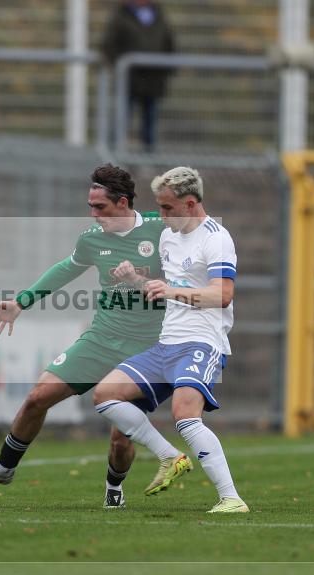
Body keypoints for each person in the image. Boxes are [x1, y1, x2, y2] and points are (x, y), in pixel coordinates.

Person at [0, 163, 192, 509]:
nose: (94, 215)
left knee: (120, 433)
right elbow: (65, 270)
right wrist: (21, 302)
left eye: (101, 208)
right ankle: (4, 468)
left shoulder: (162, 234)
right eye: (90, 207)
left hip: (147, 348)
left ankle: (114, 489)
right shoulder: (92, 240)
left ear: (123, 203)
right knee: (38, 396)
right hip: (101, 339)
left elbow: (187, 278)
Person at [92, 166, 249, 513]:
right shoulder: (168, 237)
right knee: (105, 394)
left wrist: (172, 291)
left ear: (190, 204)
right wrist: (135, 278)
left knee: (185, 414)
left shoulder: (216, 238)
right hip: (167, 343)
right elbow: (167, 289)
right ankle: (168, 455)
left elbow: (222, 295)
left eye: (167, 209)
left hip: (202, 343)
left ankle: (232, 499)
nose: (161, 216)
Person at [101, 0, 175, 152]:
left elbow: (169, 44)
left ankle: (148, 158)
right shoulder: (121, 16)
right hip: (129, 80)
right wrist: (121, 66)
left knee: (150, 123)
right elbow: (109, 45)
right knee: (122, 119)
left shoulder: (159, 16)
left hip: (154, 79)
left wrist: (167, 68)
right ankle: (113, 157)